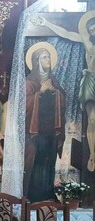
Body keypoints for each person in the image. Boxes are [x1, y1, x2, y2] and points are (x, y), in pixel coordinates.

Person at [34, 15, 95, 171]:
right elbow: (66, 33)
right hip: (91, 80)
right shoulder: (87, 42)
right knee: (92, 119)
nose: (93, 32)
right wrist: (47, 22)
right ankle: (92, 155)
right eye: (91, 30)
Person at [23, 46, 66, 202]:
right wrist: (40, 91)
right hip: (36, 132)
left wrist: (56, 92)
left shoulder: (53, 80)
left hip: (51, 131)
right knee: (37, 163)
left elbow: (63, 100)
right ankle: (35, 197)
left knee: (50, 163)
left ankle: (48, 194)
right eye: (44, 57)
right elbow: (24, 105)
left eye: (49, 57)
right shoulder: (30, 82)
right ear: (37, 61)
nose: (48, 60)